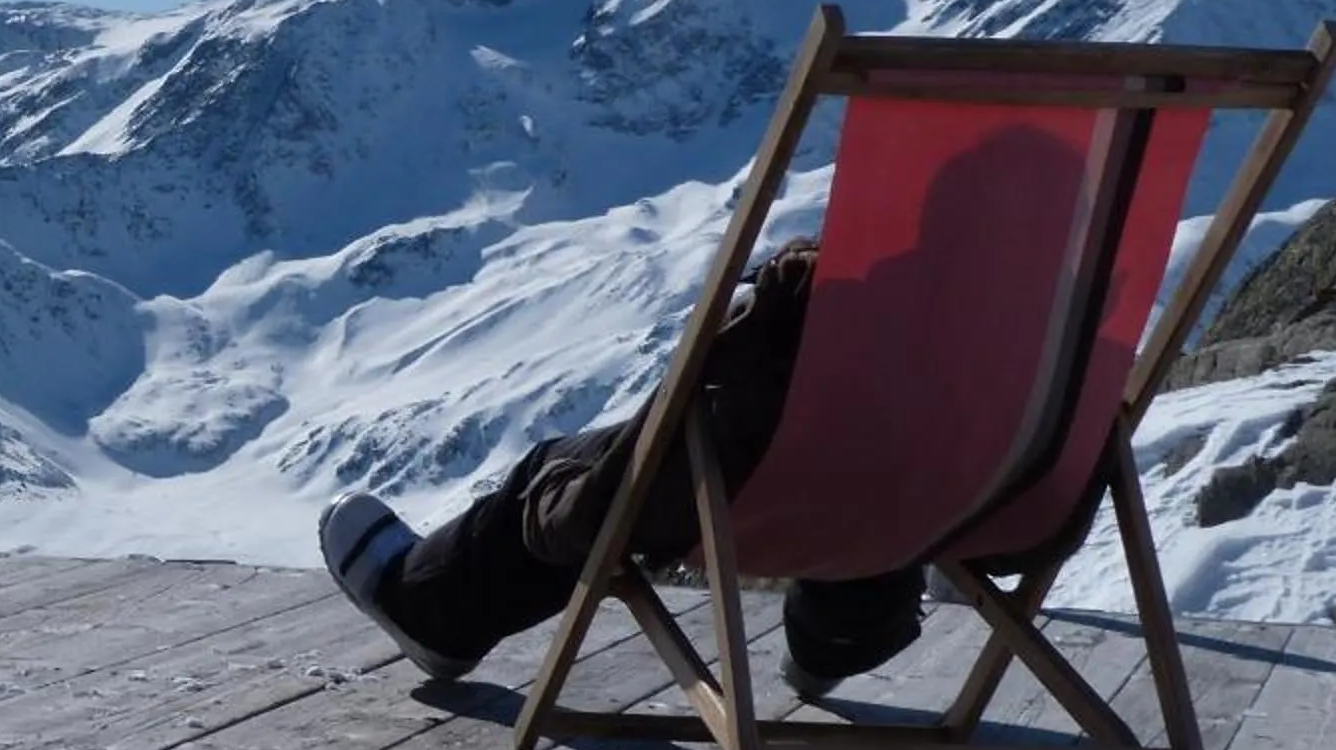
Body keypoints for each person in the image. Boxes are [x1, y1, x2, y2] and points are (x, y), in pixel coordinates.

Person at [318, 238, 926, 698]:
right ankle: (845, 630)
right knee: (874, 449)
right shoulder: (1008, 306)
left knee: (559, 478)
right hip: (965, 504)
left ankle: (429, 609)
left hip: (769, 491)